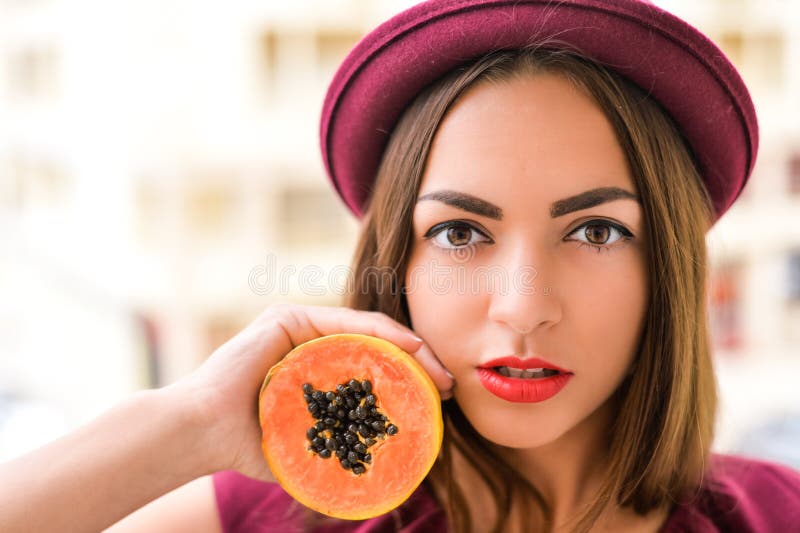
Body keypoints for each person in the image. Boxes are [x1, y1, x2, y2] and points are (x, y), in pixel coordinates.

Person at [2, 0, 799, 532]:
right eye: (459, 233)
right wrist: (191, 424)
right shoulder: (264, 516)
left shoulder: (775, 513)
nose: (522, 308)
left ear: (668, 265)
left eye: (594, 232)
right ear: (397, 269)